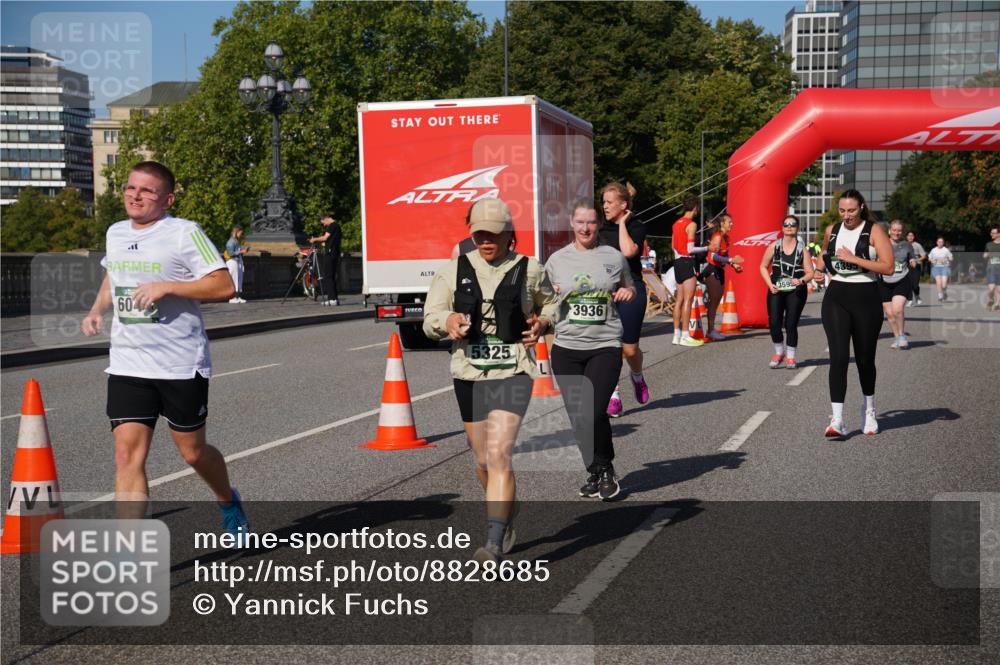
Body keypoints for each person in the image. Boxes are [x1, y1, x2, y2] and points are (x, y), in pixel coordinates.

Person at [80, 161, 248, 535]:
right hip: (128, 362)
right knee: (126, 455)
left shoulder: (183, 233)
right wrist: (96, 310)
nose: (134, 195)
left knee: (193, 453)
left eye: (146, 190)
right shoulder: (116, 232)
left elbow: (223, 287)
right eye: (130, 188)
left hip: (179, 364)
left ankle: (227, 500)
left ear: (167, 199)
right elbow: (115, 274)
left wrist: (167, 286)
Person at [423, 198, 557, 564]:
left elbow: (550, 305)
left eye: (494, 234)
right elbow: (430, 317)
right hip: (468, 372)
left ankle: (494, 543)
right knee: (483, 460)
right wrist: (447, 321)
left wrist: (543, 324)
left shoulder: (530, 269)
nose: (486, 240)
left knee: (499, 455)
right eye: (479, 233)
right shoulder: (451, 272)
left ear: (509, 235)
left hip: (513, 370)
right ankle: (506, 509)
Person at [546, 199, 635, 501]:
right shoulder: (556, 261)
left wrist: (627, 291)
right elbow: (540, 300)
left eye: (591, 222)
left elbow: (630, 286)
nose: (585, 228)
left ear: (599, 225)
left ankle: (606, 467)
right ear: (572, 223)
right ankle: (594, 471)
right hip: (566, 347)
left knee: (594, 410)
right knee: (578, 416)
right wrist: (550, 298)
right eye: (580, 222)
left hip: (604, 344)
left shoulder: (613, 257)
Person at [814, 189, 893, 437]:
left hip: (866, 298)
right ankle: (836, 420)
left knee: (864, 360)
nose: (846, 215)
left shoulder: (874, 231)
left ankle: (869, 410)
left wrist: (855, 259)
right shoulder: (832, 230)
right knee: (838, 358)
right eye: (842, 210)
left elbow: (888, 267)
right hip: (836, 297)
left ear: (861, 208)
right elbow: (822, 258)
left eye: (851, 210)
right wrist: (818, 270)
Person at [598, 182, 649, 418]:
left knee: (629, 349)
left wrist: (621, 225)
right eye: (603, 202)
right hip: (605, 291)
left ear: (623, 205)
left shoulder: (636, 226)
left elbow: (628, 252)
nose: (604, 206)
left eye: (609, 202)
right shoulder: (597, 228)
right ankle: (613, 395)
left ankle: (637, 376)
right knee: (610, 346)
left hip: (632, 288)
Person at [759, 214, 813, 369]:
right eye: (786, 224)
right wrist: (770, 284)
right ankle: (779, 352)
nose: (789, 227)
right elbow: (762, 266)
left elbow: (810, 272)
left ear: (797, 228)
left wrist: (801, 280)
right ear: (782, 228)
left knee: (791, 324)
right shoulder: (774, 246)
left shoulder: (802, 250)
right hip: (776, 289)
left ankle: (791, 356)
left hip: (795, 290)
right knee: (774, 322)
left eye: (793, 225)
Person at [702, 213, 744, 340]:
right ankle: (710, 330)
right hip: (712, 270)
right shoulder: (718, 236)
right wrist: (731, 260)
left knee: (715, 301)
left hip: (720, 270)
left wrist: (734, 265)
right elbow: (714, 256)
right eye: (729, 222)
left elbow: (725, 258)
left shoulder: (726, 238)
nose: (732, 224)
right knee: (713, 301)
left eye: (731, 221)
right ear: (722, 224)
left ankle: (711, 329)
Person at [671, 196, 705, 347]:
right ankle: (685, 335)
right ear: (695, 208)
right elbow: (691, 249)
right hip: (686, 260)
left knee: (679, 300)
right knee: (688, 300)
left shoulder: (676, 223)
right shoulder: (692, 224)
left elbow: (673, 245)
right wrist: (707, 248)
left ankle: (676, 335)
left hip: (677, 261)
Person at [880, 220, 916, 349]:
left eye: (899, 230)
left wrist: (912, 261)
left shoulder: (906, 245)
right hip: (884, 281)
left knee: (897, 309)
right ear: (889, 230)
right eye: (894, 230)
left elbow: (911, 257)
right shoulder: (882, 243)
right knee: (889, 314)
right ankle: (896, 337)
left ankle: (902, 335)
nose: (896, 233)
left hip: (902, 280)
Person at [308, 215, 341, 306]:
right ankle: (335, 298)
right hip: (334, 253)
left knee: (328, 276)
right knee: (331, 276)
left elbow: (325, 237)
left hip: (330, 254)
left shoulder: (332, 226)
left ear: (325, 219)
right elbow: (329, 240)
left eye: (323, 223)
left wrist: (314, 239)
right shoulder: (337, 226)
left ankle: (332, 299)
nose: (324, 225)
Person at [225, 226, 249, 304]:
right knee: (234, 279)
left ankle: (237, 296)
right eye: (240, 233)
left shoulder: (236, 241)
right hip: (232, 262)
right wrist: (241, 252)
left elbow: (237, 250)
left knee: (238, 279)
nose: (241, 235)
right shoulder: (230, 242)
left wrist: (243, 250)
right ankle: (232, 297)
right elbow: (231, 253)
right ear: (237, 232)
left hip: (237, 261)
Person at [928, 236, 954, 302]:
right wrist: (932, 260)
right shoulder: (933, 250)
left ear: (943, 243)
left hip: (945, 267)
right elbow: (929, 258)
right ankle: (940, 296)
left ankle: (944, 292)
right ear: (937, 242)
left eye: (942, 242)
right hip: (936, 267)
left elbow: (951, 258)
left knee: (944, 284)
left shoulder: (946, 250)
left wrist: (946, 259)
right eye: (939, 242)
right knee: (938, 282)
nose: (940, 243)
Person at [906, 231, 926, 306]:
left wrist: (916, 260)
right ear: (906, 237)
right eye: (909, 235)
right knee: (908, 283)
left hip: (916, 266)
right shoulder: (904, 245)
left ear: (914, 237)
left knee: (915, 284)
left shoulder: (917, 245)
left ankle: (917, 296)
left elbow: (924, 256)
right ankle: (910, 300)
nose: (910, 237)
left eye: (912, 236)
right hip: (907, 266)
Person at [983, 226, 1000, 311]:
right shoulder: (989, 244)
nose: (991, 234)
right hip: (991, 268)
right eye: (991, 233)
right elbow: (985, 255)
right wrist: (986, 255)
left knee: (999, 289)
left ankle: (997, 304)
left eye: (993, 233)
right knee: (992, 288)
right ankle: (991, 299)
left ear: (998, 234)